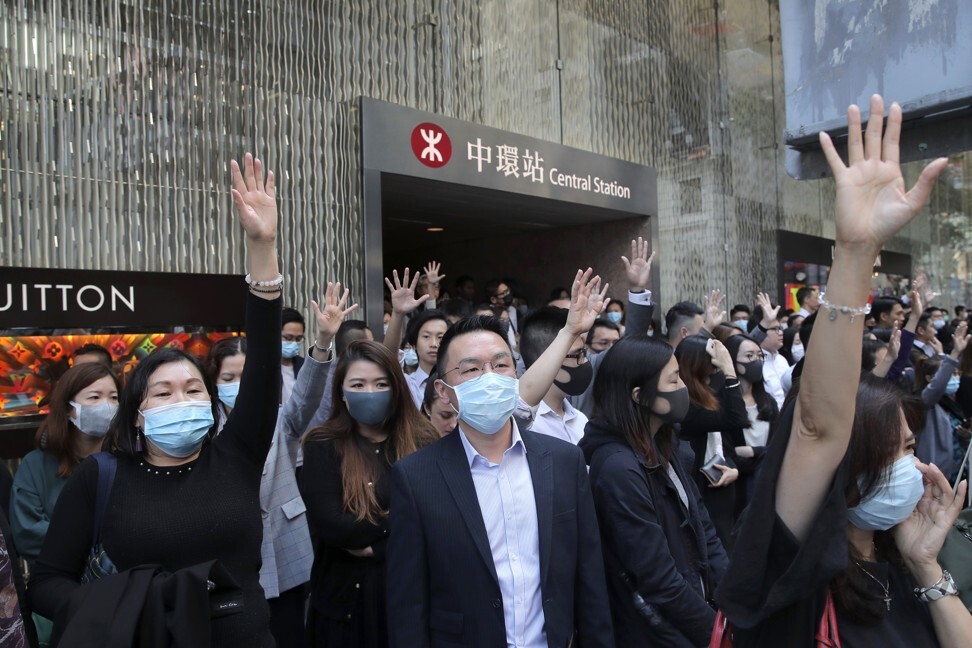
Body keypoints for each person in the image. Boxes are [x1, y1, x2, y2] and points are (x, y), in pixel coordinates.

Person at [716, 95, 972, 647]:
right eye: (899, 451)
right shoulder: (796, 563)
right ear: (848, 464)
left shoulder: (901, 556)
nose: (919, 466)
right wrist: (856, 253)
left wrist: (926, 565)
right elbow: (817, 424)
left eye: (912, 446)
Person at [29, 152, 283, 646]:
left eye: (193, 389)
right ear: (138, 415)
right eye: (162, 392)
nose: (181, 398)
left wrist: (262, 247)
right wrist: (127, 600)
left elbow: (266, 359)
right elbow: (45, 583)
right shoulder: (101, 478)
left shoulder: (236, 456)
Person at [386, 274, 614, 648]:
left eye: (501, 365)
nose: (490, 378)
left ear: (517, 373)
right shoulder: (415, 478)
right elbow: (408, 603)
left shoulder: (563, 460)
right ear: (444, 392)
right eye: (472, 369)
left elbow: (589, 578)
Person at [208, 283, 354, 646]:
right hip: (226, 562)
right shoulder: (200, 430)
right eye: (228, 379)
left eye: (246, 377)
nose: (239, 387)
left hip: (285, 550)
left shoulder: (279, 419)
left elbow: (306, 397)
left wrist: (322, 342)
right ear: (212, 384)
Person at [580, 333, 728, 647]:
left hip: (697, 616)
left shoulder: (669, 445)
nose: (684, 388)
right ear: (639, 395)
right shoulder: (618, 468)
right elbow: (658, 580)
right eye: (674, 381)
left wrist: (731, 604)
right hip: (659, 633)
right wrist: (715, 634)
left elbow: (704, 530)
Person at [299, 340, 437, 647]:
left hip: (411, 598)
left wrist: (376, 545)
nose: (370, 393)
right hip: (344, 606)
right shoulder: (322, 444)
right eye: (358, 384)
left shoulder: (424, 440)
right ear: (342, 394)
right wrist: (399, 525)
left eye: (381, 383)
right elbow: (334, 527)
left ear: (396, 389)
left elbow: (437, 520)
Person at [11, 363, 120, 569]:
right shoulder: (36, 465)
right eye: (94, 397)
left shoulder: (128, 459)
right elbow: (27, 533)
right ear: (69, 409)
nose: (107, 406)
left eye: (114, 398)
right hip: (60, 580)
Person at [673, 335, 746, 548]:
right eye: (711, 367)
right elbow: (736, 418)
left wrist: (733, 468)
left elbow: (726, 443)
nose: (715, 372)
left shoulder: (706, 395)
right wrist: (730, 371)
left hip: (715, 485)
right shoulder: (685, 406)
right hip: (696, 490)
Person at [722, 333, 779, 510]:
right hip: (736, 488)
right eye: (749, 356)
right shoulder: (724, 404)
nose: (757, 360)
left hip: (766, 483)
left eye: (760, 356)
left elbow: (777, 448)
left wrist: (754, 451)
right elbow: (730, 454)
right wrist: (762, 457)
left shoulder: (768, 401)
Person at [913, 322, 969, 481]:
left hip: (958, 472)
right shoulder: (925, 402)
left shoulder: (952, 400)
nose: (955, 377)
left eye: (957, 373)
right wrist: (954, 354)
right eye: (950, 374)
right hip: (936, 475)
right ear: (929, 378)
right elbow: (937, 386)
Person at [402, 310, 449, 409]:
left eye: (440, 337)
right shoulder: (405, 385)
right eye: (426, 336)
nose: (434, 344)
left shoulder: (458, 383)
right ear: (414, 344)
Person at [281, 306, 306, 405]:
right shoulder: (263, 366)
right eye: (288, 338)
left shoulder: (305, 366)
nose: (294, 343)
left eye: (298, 339)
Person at [420, 370, 456, 436]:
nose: (454, 425)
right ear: (427, 408)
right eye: (445, 416)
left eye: (460, 417)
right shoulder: (412, 443)